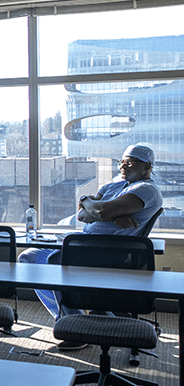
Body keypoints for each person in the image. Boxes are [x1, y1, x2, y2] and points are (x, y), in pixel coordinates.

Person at [19, 143, 162, 350]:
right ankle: (67, 319)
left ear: (147, 166)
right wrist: (112, 215)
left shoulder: (146, 190)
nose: (123, 166)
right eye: (121, 161)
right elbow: (83, 215)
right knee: (29, 258)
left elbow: (101, 211)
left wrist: (101, 210)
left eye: (130, 162)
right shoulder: (113, 185)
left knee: (54, 261)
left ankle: (77, 330)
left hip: (109, 251)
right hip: (83, 244)